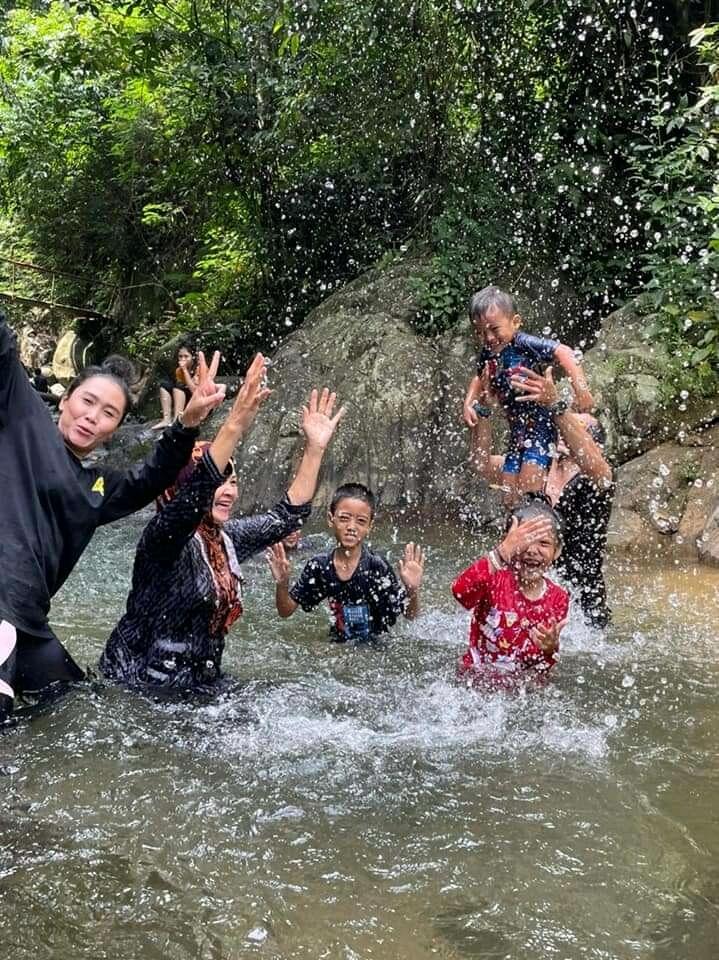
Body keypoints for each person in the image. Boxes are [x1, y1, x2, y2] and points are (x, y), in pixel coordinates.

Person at [0, 308, 227, 723]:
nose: (93, 416)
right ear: (65, 400)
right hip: (2, 606)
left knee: (73, 705)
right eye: (87, 401)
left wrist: (189, 422)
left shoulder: (98, 489)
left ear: (115, 427)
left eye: (109, 413)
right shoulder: (21, 416)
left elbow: (151, 476)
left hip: (29, 620)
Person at [100, 367, 346, 690]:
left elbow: (286, 518)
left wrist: (315, 449)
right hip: (140, 683)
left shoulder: (224, 540)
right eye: (221, 483)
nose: (229, 491)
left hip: (199, 680)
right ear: (185, 484)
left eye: (233, 482)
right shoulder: (162, 538)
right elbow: (196, 494)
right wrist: (235, 423)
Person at [469, 362, 614, 628]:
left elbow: (594, 464)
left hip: (582, 606)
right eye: (565, 425)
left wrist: (556, 404)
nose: (563, 429)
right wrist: (485, 411)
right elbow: (482, 465)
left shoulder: (598, 482)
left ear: (596, 445)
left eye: (578, 428)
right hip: (525, 592)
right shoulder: (535, 471)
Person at [462, 285, 594, 503]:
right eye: (480, 332)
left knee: (529, 490)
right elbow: (478, 378)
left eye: (494, 329)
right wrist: (469, 404)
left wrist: (581, 389)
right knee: (509, 497)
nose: (488, 337)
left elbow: (564, 352)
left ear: (515, 322)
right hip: (517, 433)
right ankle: (514, 528)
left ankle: (538, 519)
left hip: (540, 428)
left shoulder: (524, 343)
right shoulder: (488, 353)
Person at [267, 482, 425, 642]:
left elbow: (409, 615)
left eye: (361, 521)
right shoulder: (319, 566)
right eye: (344, 518)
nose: (351, 527)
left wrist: (412, 589)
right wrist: (282, 584)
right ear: (331, 519)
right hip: (338, 644)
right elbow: (285, 611)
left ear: (370, 526)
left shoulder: (377, 566)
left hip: (376, 647)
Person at [452, 498, 569, 685]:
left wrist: (550, 648)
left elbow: (546, 661)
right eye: (524, 541)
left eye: (544, 543)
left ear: (557, 551)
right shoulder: (495, 578)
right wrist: (502, 552)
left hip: (522, 686)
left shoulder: (559, 598)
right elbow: (460, 593)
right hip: (476, 679)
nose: (532, 550)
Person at [153, 343, 197, 429]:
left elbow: (194, 388)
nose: (183, 359)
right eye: (180, 356)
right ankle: (166, 419)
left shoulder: (198, 368)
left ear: (192, 357)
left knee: (178, 387)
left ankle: (177, 420)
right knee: (165, 385)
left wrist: (184, 370)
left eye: (186, 356)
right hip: (184, 396)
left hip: (196, 397)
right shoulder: (178, 370)